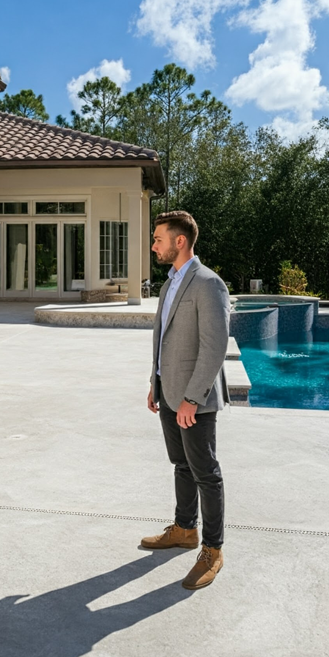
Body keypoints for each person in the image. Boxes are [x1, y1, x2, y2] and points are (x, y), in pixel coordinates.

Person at [141, 211, 231, 590]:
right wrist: (155, 383)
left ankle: (213, 549)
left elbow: (215, 346)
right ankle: (184, 529)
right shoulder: (169, 284)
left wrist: (193, 397)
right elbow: (163, 340)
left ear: (180, 241)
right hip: (168, 391)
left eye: (159, 238)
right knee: (181, 465)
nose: (154, 245)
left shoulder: (208, 283)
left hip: (195, 398)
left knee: (205, 473)